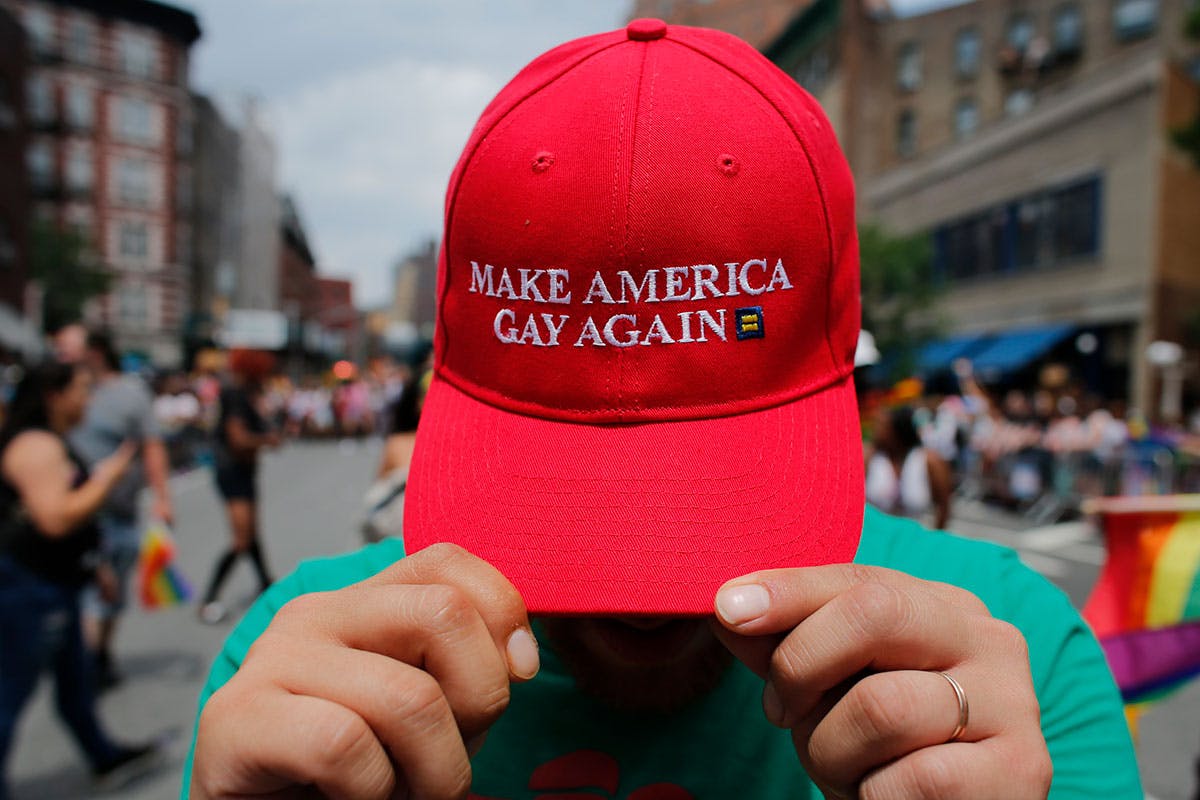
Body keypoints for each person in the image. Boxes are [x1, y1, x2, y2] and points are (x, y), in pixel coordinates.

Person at [185, 21, 1140, 799]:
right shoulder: (299, 672)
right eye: (562, 502)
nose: (644, 595)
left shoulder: (1014, 659)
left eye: (718, 488)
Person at [0, 362, 160, 798]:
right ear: (54, 394)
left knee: (76, 679)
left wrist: (95, 568)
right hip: (29, 587)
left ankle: (103, 755)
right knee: (10, 690)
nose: (88, 400)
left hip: (59, 583)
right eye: (81, 390)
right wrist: (106, 478)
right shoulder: (35, 445)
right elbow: (54, 518)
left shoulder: (54, 441)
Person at [65, 331, 174, 691]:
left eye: (70, 349)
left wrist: (162, 497)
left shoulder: (129, 394)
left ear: (95, 353)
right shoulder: (60, 391)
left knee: (109, 597)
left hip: (117, 514)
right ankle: (85, 671)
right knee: (90, 598)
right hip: (74, 515)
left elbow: (152, 446)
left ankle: (95, 658)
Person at [197, 350, 279, 625]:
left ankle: (267, 584)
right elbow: (238, 439)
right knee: (241, 540)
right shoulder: (234, 395)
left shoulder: (245, 396)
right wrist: (267, 440)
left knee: (252, 534)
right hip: (233, 473)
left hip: (243, 473)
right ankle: (209, 597)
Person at [865, 405, 953, 529]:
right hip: (875, 537)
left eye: (882, 426)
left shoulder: (929, 461)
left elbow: (944, 507)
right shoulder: (869, 457)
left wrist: (933, 539)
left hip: (914, 541)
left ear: (898, 429)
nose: (876, 430)